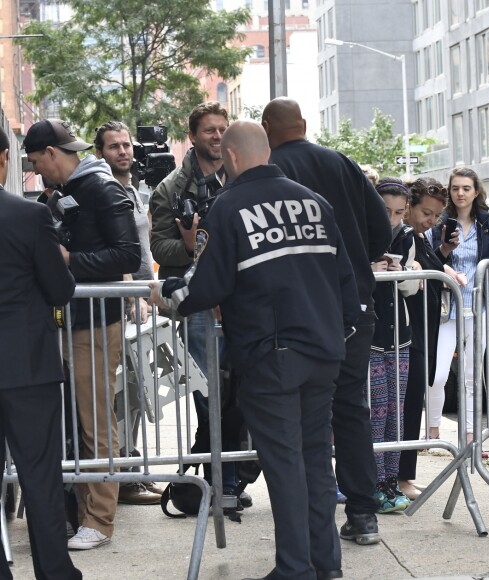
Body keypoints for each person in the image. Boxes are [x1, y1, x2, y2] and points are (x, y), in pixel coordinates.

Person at [149, 120, 360, 580]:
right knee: (316, 465)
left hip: (272, 354)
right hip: (323, 351)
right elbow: (345, 279)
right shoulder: (315, 203)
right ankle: (326, 565)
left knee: (284, 465)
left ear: (234, 157)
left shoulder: (227, 208)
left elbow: (207, 286)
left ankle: (294, 570)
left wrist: (165, 294)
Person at [262, 97, 391, 545]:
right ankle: (363, 513)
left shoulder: (269, 173)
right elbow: (381, 229)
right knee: (350, 408)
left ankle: (303, 525)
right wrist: (359, 258)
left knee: (296, 417)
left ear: (267, 129)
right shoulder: (342, 164)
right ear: (303, 124)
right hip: (352, 303)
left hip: (292, 315)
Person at [23, 118, 141, 550]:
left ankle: (100, 519)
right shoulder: (73, 191)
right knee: (82, 423)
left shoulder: (102, 189)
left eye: (37, 162)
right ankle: (86, 513)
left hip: (93, 322)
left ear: (53, 154)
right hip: (73, 320)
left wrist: (69, 259)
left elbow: (128, 253)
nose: (38, 172)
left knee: (96, 423)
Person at [148, 101, 246, 502]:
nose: (218, 136)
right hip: (200, 304)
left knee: (241, 392)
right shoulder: (170, 188)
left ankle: (231, 477)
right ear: (193, 136)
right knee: (209, 395)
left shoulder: (241, 176)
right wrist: (193, 248)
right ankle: (222, 482)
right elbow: (158, 244)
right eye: (210, 130)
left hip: (240, 302)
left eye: (223, 129)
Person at [0, 125, 81, 579]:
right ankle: (54, 571)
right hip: (28, 366)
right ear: (4, 159)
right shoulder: (28, 217)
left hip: (26, 366)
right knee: (40, 477)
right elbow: (60, 288)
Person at [94, 120, 163, 505]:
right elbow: (114, 248)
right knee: (119, 395)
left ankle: (130, 468)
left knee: (137, 395)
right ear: (100, 153)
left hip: (140, 304)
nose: (123, 151)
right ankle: (120, 476)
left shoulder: (134, 190)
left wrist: (147, 290)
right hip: (120, 307)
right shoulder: (103, 192)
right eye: (113, 147)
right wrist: (130, 296)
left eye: (126, 145)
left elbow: (142, 247)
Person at [426, 167, 489, 446]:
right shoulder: (439, 226)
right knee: (437, 375)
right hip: (445, 310)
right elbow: (427, 261)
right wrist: (447, 270)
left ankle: (471, 436)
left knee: (472, 376)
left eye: (465, 188)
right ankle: (433, 432)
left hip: (478, 309)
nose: (460, 193)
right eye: (455, 188)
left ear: (476, 192)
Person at [369, 178, 420, 513]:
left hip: (399, 336)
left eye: (399, 212)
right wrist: (371, 270)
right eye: (385, 210)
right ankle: (371, 484)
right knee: (376, 410)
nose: (392, 218)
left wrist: (402, 271)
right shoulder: (361, 232)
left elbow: (413, 288)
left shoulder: (409, 237)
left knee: (396, 416)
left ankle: (390, 481)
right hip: (369, 336)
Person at [397, 178, 448, 501]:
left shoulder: (421, 238)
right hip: (409, 332)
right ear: (410, 208)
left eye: (437, 216)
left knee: (413, 403)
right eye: (426, 213)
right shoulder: (405, 238)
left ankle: (404, 476)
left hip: (423, 329)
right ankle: (402, 478)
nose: (431, 221)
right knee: (408, 405)